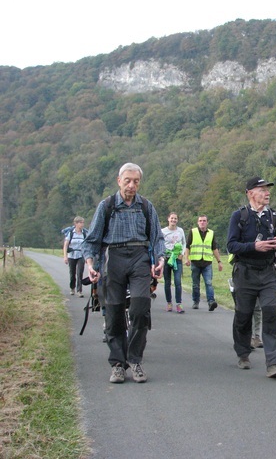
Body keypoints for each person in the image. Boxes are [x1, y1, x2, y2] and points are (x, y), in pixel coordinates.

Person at [82, 163, 165, 384]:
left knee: (140, 309)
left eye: (135, 181)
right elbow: (92, 240)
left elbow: (157, 238)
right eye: (127, 180)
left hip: (139, 258)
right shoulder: (106, 206)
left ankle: (135, 360)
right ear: (119, 180)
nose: (131, 185)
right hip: (114, 258)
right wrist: (91, 264)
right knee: (114, 313)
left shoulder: (146, 207)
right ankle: (118, 364)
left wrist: (160, 260)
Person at [227, 177, 276, 378]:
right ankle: (243, 353)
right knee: (243, 315)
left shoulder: (274, 217)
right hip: (245, 272)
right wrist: (254, 246)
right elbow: (231, 246)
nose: (267, 193)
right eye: (262, 189)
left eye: (267, 189)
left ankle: (274, 363)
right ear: (250, 193)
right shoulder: (239, 216)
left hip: (268, 272)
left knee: (270, 312)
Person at [184, 215, 223, 311]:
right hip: (195, 262)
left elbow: (214, 248)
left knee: (209, 283)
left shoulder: (211, 233)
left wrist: (219, 261)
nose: (202, 222)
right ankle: (196, 301)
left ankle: (211, 302)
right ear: (198, 222)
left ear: (207, 222)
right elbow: (188, 246)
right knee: (195, 284)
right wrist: (186, 258)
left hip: (207, 263)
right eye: (200, 221)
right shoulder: (193, 232)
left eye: (204, 221)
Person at [162, 212, 186, 313]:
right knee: (167, 282)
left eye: (175, 219)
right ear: (168, 219)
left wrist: (182, 253)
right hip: (167, 258)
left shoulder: (180, 231)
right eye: (172, 218)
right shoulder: (163, 231)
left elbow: (184, 243)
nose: (173, 220)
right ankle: (169, 303)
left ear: (177, 220)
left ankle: (179, 304)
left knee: (177, 282)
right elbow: (159, 243)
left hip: (177, 259)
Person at [63, 216, 87, 297]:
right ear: (76, 223)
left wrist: (87, 257)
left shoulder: (84, 233)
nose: (82, 224)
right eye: (81, 223)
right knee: (72, 273)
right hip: (72, 255)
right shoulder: (71, 233)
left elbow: (87, 245)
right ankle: (72, 288)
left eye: (83, 222)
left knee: (80, 273)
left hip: (81, 255)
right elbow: (66, 245)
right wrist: (65, 256)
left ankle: (79, 290)